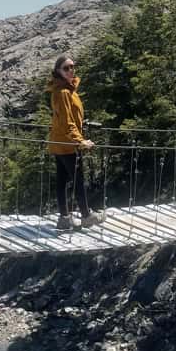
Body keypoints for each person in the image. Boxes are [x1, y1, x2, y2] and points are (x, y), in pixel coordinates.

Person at [47, 55, 105, 230]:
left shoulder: (66, 90)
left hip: (59, 141)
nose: (71, 70)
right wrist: (80, 141)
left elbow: (69, 118)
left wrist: (82, 125)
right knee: (78, 179)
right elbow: (67, 122)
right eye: (66, 68)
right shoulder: (64, 92)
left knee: (62, 180)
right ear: (58, 71)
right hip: (67, 144)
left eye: (72, 67)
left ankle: (64, 218)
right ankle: (86, 216)